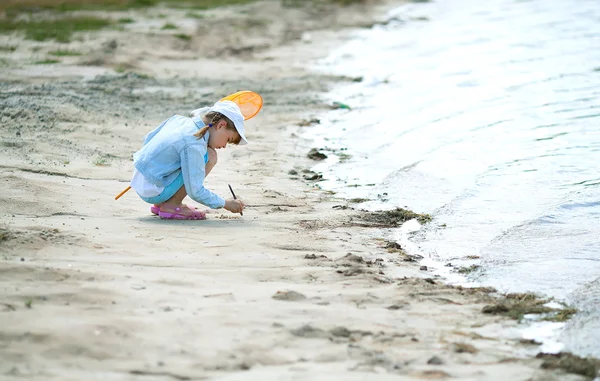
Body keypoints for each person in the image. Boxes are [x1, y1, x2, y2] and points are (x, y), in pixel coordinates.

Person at [130, 100, 246, 220]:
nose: (224, 146)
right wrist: (225, 204)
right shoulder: (194, 143)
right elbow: (195, 191)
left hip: (140, 178)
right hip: (154, 191)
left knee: (184, 157)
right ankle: (172, 205)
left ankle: (162, 203)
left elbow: (149, 138)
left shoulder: (180, 120)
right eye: (228, 139)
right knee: (210, 155)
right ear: (221, 125)